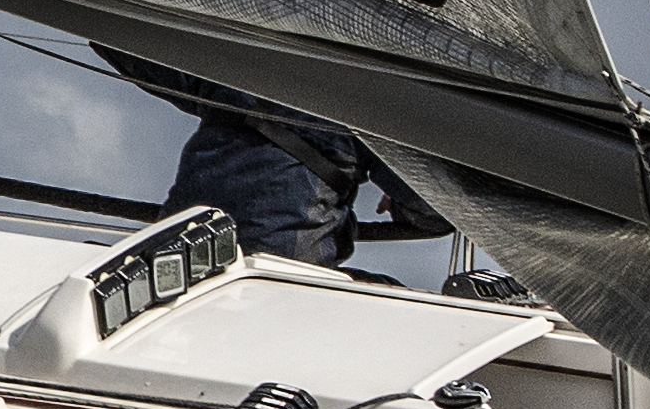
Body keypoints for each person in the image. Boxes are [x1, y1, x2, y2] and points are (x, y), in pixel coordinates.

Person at [101, 50, 440, 268]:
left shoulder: (235, 71)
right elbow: (437, 213)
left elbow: (133, 50)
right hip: (282, 273)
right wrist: (400, 202)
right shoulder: (367, 109)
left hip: (179, 258)